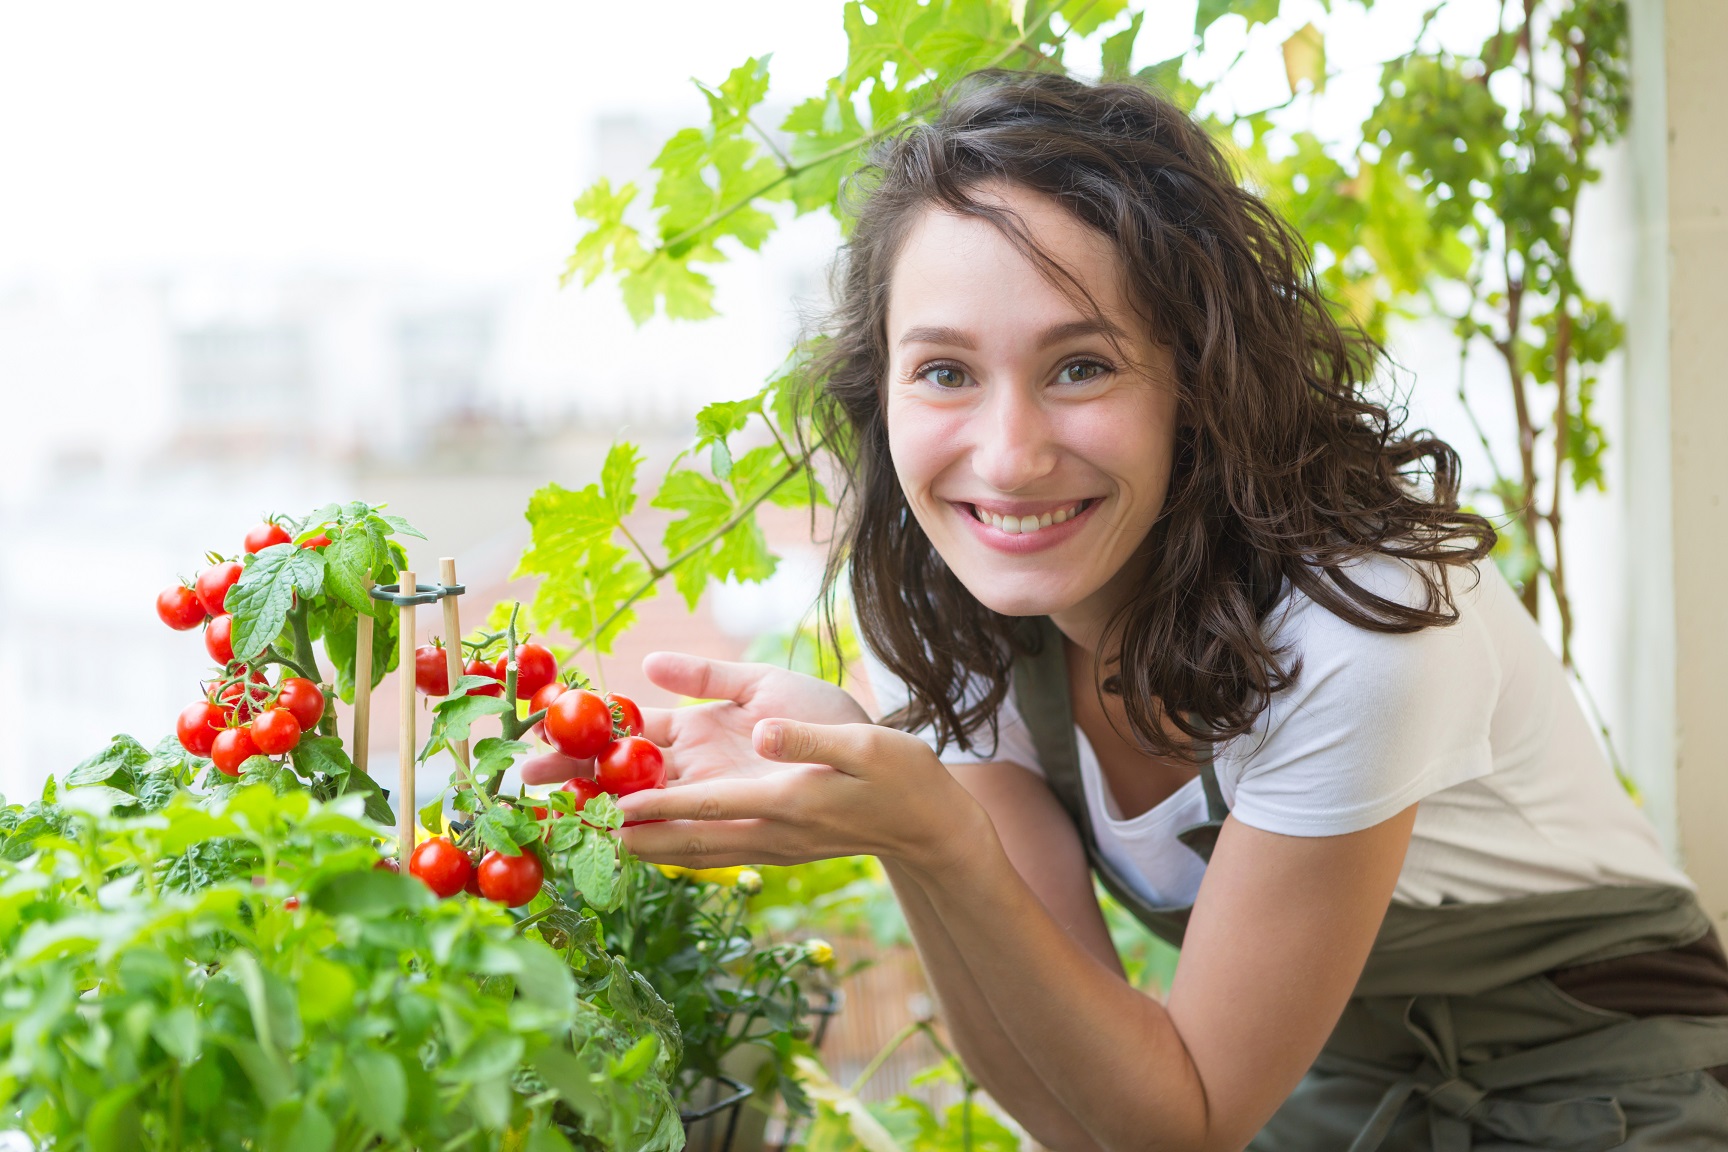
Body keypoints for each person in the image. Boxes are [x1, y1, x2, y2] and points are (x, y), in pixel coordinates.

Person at [523, 72, 1728, 1150]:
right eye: (944, 370)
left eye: (1081, 366)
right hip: (1327, 1099)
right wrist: (897, 801)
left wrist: (932, 826)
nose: (1008, 455)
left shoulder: (1363, 626)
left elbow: (1180, 1120)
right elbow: (1075, 1108)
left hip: (1619, 1091)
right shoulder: (947, 608)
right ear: (878, 390)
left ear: (1194, 380)